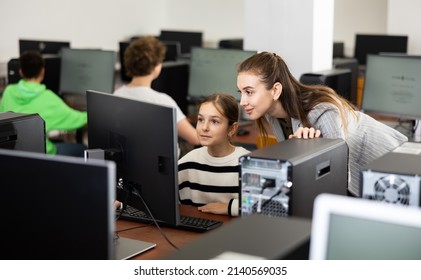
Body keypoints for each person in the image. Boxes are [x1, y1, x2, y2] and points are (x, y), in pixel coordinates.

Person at [237, 51, 408, 197]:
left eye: (249, 92)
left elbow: (337, 179)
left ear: (275, 90)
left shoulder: (322, 111)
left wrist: (306, 148)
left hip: (395, 172)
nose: (242, 102)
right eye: (241, 92)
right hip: (367, 183)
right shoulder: (273, 115)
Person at [114, 36, 199, 151]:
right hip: (165, 166)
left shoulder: (117, 94)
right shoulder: (162, 101)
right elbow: (195, 138)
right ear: (155, 67)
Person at [0, 50, 87, 157]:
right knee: (82, 148)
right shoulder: (48, 97)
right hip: (43, 154)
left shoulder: (8, 92)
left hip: (13, 155)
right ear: (42, 72)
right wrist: (93, 114)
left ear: (21, 72)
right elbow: (77, 120)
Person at [178, 93, 250, 216]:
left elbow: (265, 207)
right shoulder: (187, 163)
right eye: (201, 119)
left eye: (214, 121)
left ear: (232, 129)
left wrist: (229, 207)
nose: (204, 127)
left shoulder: (248, 165)